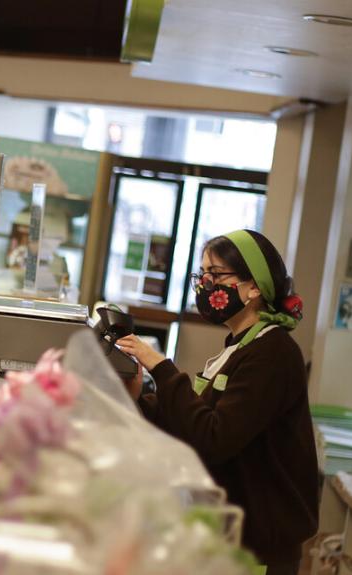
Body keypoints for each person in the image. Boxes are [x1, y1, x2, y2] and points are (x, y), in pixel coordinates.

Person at [117, 229, 318, 575]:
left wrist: (162, 368)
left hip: (257, 550)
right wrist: (141, 398)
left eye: (216, 275)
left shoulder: (273, 354)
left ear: (253, 287)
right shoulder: (239, 347)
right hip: (224, 536)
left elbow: (214, 437)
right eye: (202, 274)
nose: (205, 285)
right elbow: (193, 419)